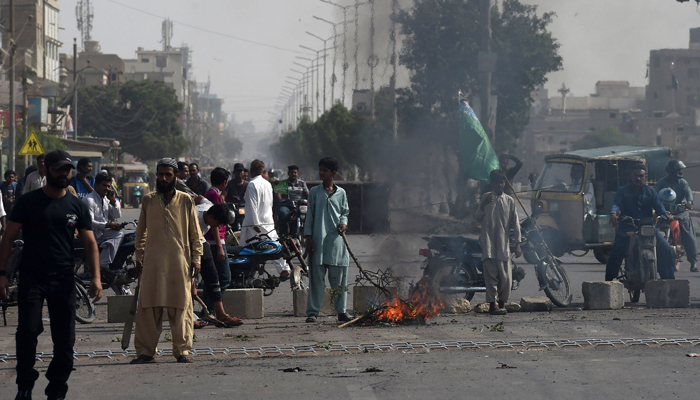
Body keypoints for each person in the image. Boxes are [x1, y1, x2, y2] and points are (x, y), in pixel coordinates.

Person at [0, 150, 102, 400]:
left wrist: (97, 277)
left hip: (64, 279)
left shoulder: (76, 205)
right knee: (27, 332)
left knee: (65, 339)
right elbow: (8, 238)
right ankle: (24, 385)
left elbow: (90, 244)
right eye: (59, 169)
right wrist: (2, 274)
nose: (64, 173)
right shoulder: (28, 201)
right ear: (46, 169)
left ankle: (56, 389)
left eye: (68, 169)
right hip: (32, 278)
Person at [131, 158, 203, 364]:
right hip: (152, 263)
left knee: (181, 306)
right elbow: (140, 233)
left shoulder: (186, 201)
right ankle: (146, 351)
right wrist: (139, 255)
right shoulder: (148, 201)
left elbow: (195, 234)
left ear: (175, 176)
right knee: (148, 308)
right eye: (160, 174)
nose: (163, 178)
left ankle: (182, 350)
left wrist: (197, 259)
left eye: (167, 175)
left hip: (179, 262)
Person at [605, 163, 676, 281]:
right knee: (616, 252)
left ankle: (669, 282)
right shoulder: (623, 191)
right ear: (631, 176)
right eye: (635, 175)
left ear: (645, 177)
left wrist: (666, 216)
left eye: (641, 176)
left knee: (666, 249)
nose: (638, 178)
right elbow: (616, 204)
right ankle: (609, 283)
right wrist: (613, 213)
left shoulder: (651, 192)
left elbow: (659, 207)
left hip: (647, 227)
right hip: (627, 228)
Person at [304, 157, 351, 323]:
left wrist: (343, 224)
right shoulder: (315, 192)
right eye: (320, 169)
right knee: (316, 280)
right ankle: (312, 312)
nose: (321, 173)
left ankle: (341, 312)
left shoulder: (341, 193)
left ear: (333, 173)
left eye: (325, 170)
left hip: (336, 242)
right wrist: (308, 237)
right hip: (317, 241)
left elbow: (344, 212)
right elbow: (309, 216)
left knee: (338, 280)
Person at [475, 169, 522, 316]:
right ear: (492, 183)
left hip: (503, 244)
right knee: (491, 276)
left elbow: (516, 223)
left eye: (502, 182)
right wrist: (483, 205)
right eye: (496, 182)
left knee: (506, 277)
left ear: (504, 183)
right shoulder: (485, 197)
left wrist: (518, 243)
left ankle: (502, 303)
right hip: (488, 243)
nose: (499, 185)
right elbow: (477, 217)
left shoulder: (509, 201)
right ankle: (492, 305)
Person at [195, 199, 242, 327]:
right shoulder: (195, 221)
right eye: (218, 223)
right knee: (189, 282)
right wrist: (196, 262)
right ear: (211, 217)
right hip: (185, 244)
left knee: (213, 276)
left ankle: (221, 314)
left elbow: (199, 197)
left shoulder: (209, 206)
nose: (217, 227)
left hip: (200, 241)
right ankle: (189, 318)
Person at [240, 160, 290, 280]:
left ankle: (245, 274)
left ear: (252, 170)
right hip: (267, 220)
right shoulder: (267, 184)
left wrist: (255, 223)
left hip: (254, 223)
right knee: (273, 245)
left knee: (245, 249)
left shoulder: (252, 184)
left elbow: (252, 205)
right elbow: (270, 203)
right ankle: (284, 269)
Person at [83, 173, 124, 293]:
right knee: (119, 234)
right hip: (93, 235)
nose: (107, 188)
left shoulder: (105, 199)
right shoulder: (89, 200)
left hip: (103, 234)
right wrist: (107, 225)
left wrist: (113, 201)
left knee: (125, 234)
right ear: (96, 185)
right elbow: (89, 223)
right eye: (104, 186)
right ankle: (102, 264)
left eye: (108, 186)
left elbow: (117, 215)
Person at [654, 160, 697, 272]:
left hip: (680, 212)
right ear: (671, 171)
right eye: (678, 169)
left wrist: (689, 202)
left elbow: (689, 194)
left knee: (689, 236)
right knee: (652, 231)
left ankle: (693, 262)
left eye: (680, 169)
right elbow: (654, 192)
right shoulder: (662, 182)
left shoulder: (683, 183)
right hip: (665, 212)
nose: (680, 171)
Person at [204, 167, 231, 291]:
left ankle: (210, 308)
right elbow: (214, 223)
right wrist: (220, 246)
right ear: (224, 182)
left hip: (213, 240)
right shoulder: (214, 196)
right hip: (215, 241)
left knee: (212, 278)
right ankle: (213, 307)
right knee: (224, 278)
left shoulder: (211, 194)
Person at [274, 165, 309, 236]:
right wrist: (281, 200)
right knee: (282, 213)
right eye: (292, 172)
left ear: (297, 174)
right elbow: (278, 194)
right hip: (287, 205)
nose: (294, 174)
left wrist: (310, 201)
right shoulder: (284, 183)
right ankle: (283, 235)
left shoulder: (302, 183)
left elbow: (307, 194)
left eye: (295, 172)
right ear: (288, 173)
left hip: (299, 206)